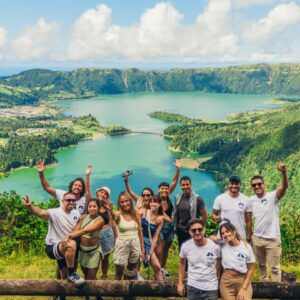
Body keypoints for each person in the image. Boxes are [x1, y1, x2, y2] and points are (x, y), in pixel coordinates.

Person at [23, 193, 85, 286]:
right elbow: (40, 212)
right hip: (53, 247)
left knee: (64, 276)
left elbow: (77, 227)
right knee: (71, 244)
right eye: (68, 200)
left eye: (73, 200)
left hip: (65, 248)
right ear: (62, 201)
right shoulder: (55, 212)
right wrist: (30, 206)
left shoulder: (76, 213)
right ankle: (72, 274)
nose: (71, 202)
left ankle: (61, 294)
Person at [249, 161, 288, 282]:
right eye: (254, 185)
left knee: (275, 268)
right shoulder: (251, 200)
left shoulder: (272, 197)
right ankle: (264, 286)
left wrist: (283, 172)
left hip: (272, 239)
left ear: (264, 184)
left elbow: (284, 187)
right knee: (261, 265)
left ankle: (275, 291)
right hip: (257, 239)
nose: (257, 187)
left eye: (259, 184)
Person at [178, 219, 221, 300]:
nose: (197, 232)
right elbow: (181, 263)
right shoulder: (186, 246)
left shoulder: (215, 246)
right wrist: (180, 283)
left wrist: (218, 279)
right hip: (193, 287)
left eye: (200, 229)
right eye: (193, 230)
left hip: (211, 288)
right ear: (190, 232)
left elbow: (219, 263)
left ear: (204, 229)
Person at [66, 198, 104, 281]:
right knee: (85, 275)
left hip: (93, 252)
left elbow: (85, 230)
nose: (92, 208)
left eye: (94, 206)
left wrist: (69, 236)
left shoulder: (100, 220)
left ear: (99, 208)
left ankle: (96, 292)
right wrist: (69, 235)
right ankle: (91, 294)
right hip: (82, 251)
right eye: (90, 206)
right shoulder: (84, 217)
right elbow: (77, 228)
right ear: (87, 208)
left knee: (91, 278)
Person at [111, 191, 144, 280]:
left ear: (130, 201)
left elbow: (140, 231)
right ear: (119, 203)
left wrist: (142, 250)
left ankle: (127, 289)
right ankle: (116, 291)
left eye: (126, 201)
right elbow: (114, 216)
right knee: (119, 272)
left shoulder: (136, 213)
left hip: (135, 244)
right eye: (122, 202)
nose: (125, 204)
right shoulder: (118, 214)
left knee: (131, 270)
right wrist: (109, 210)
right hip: (122, 245)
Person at [219, 222, 255, 300]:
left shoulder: (246, 247)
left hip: (242, 280)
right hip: (226, 282)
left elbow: (251, 269)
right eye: (223, 233)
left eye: (227, 231)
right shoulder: (222, 246)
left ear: (234, 231)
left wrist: (243, 288)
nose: (225, 234)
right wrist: (213, 237)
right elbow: (209, 240)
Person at [212, 176, 252, 241]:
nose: (234, 186)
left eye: (236, 184)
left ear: (240, 185)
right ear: (229, 184)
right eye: (232, 183)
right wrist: (216, 219)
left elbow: (249, 221)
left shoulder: (246, 200)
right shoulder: (220, 198)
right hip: (223, 236)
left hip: (239, 237)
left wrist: (248, 238)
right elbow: (213, 214)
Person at [173, 176, 207, 251]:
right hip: (181, 230)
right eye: (183, 185)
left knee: (193, 251)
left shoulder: (198, 198)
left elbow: (204, 215)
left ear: (191, 185)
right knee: (182, 251)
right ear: (180, 186)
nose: (185, 187)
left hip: (193, 230)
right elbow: (176, 213)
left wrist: (202, 228)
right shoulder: (177, 197)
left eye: (187, 184)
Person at [139, 195, 169, 280]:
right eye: (151, 202)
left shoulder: (160, 219)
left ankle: (160, 290)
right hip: (138, 240)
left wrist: (150, 252)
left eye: (155, 202)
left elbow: (155, 237)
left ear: (159, 204)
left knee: (157, 267)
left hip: (149, 242)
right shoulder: (144, 212)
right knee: (132, 265)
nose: (152, 204)